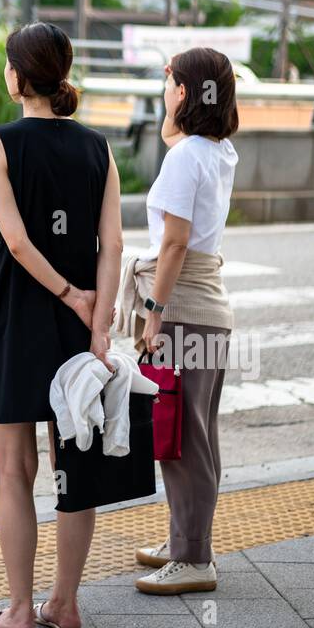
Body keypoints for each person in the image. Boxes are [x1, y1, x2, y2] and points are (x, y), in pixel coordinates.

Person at [0, 22, 123, 628]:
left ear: (17, 76)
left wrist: (66, 291)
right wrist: (98, 318)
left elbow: (15, 240)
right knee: (75, 464)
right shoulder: (97, 147)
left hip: (19, 318)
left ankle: (18, 610)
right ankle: (64, 603)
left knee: (15, 468)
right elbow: (111, 243)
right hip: (76, 327)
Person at [116, 47, 239, 594]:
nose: (163, 92)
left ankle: (194, 559)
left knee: (182, 437)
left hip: (183, 311)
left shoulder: (186, 156)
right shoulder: (217, 150)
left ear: (185, 93)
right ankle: (185, 540)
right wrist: (178, 106)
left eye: (170, 85)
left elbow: (174, 242)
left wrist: (153, 313)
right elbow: (177, 142)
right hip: (210, 311)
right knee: (194, 433)